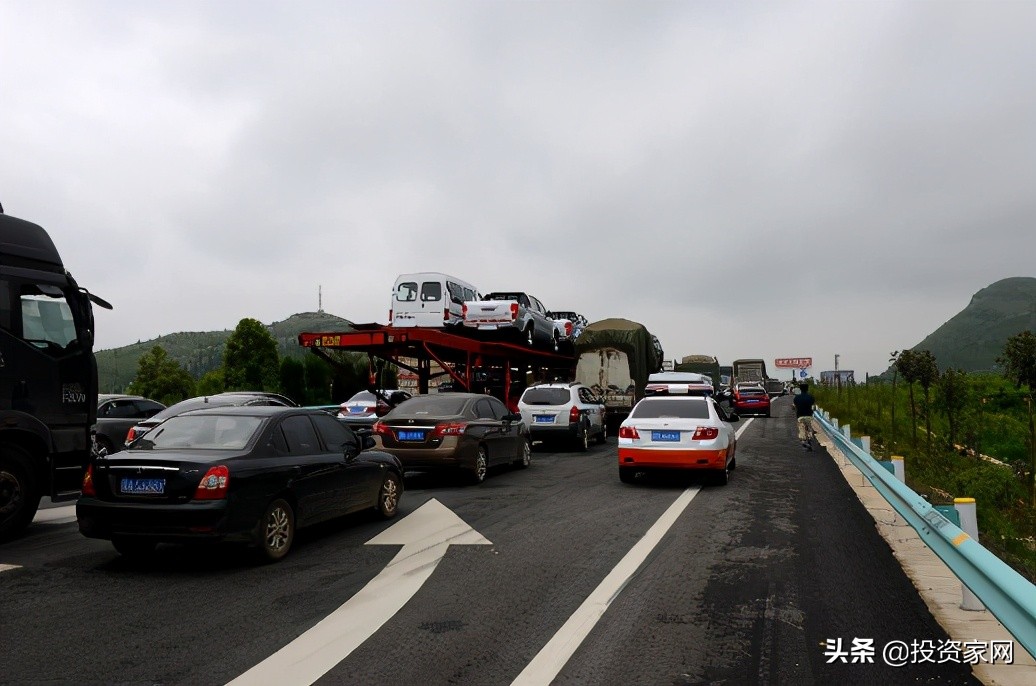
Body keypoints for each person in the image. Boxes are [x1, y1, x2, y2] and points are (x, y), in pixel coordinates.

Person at [792, 382, 816, 449]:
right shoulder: (811, 397)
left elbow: (793, 407)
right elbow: (814, 407)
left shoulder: (797, 398)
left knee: (801, 428)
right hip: (809, 416)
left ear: (800, 389)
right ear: (807, 389)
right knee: (809, 428)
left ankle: (803, 441)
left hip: (800, 416)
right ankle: (810, 437)